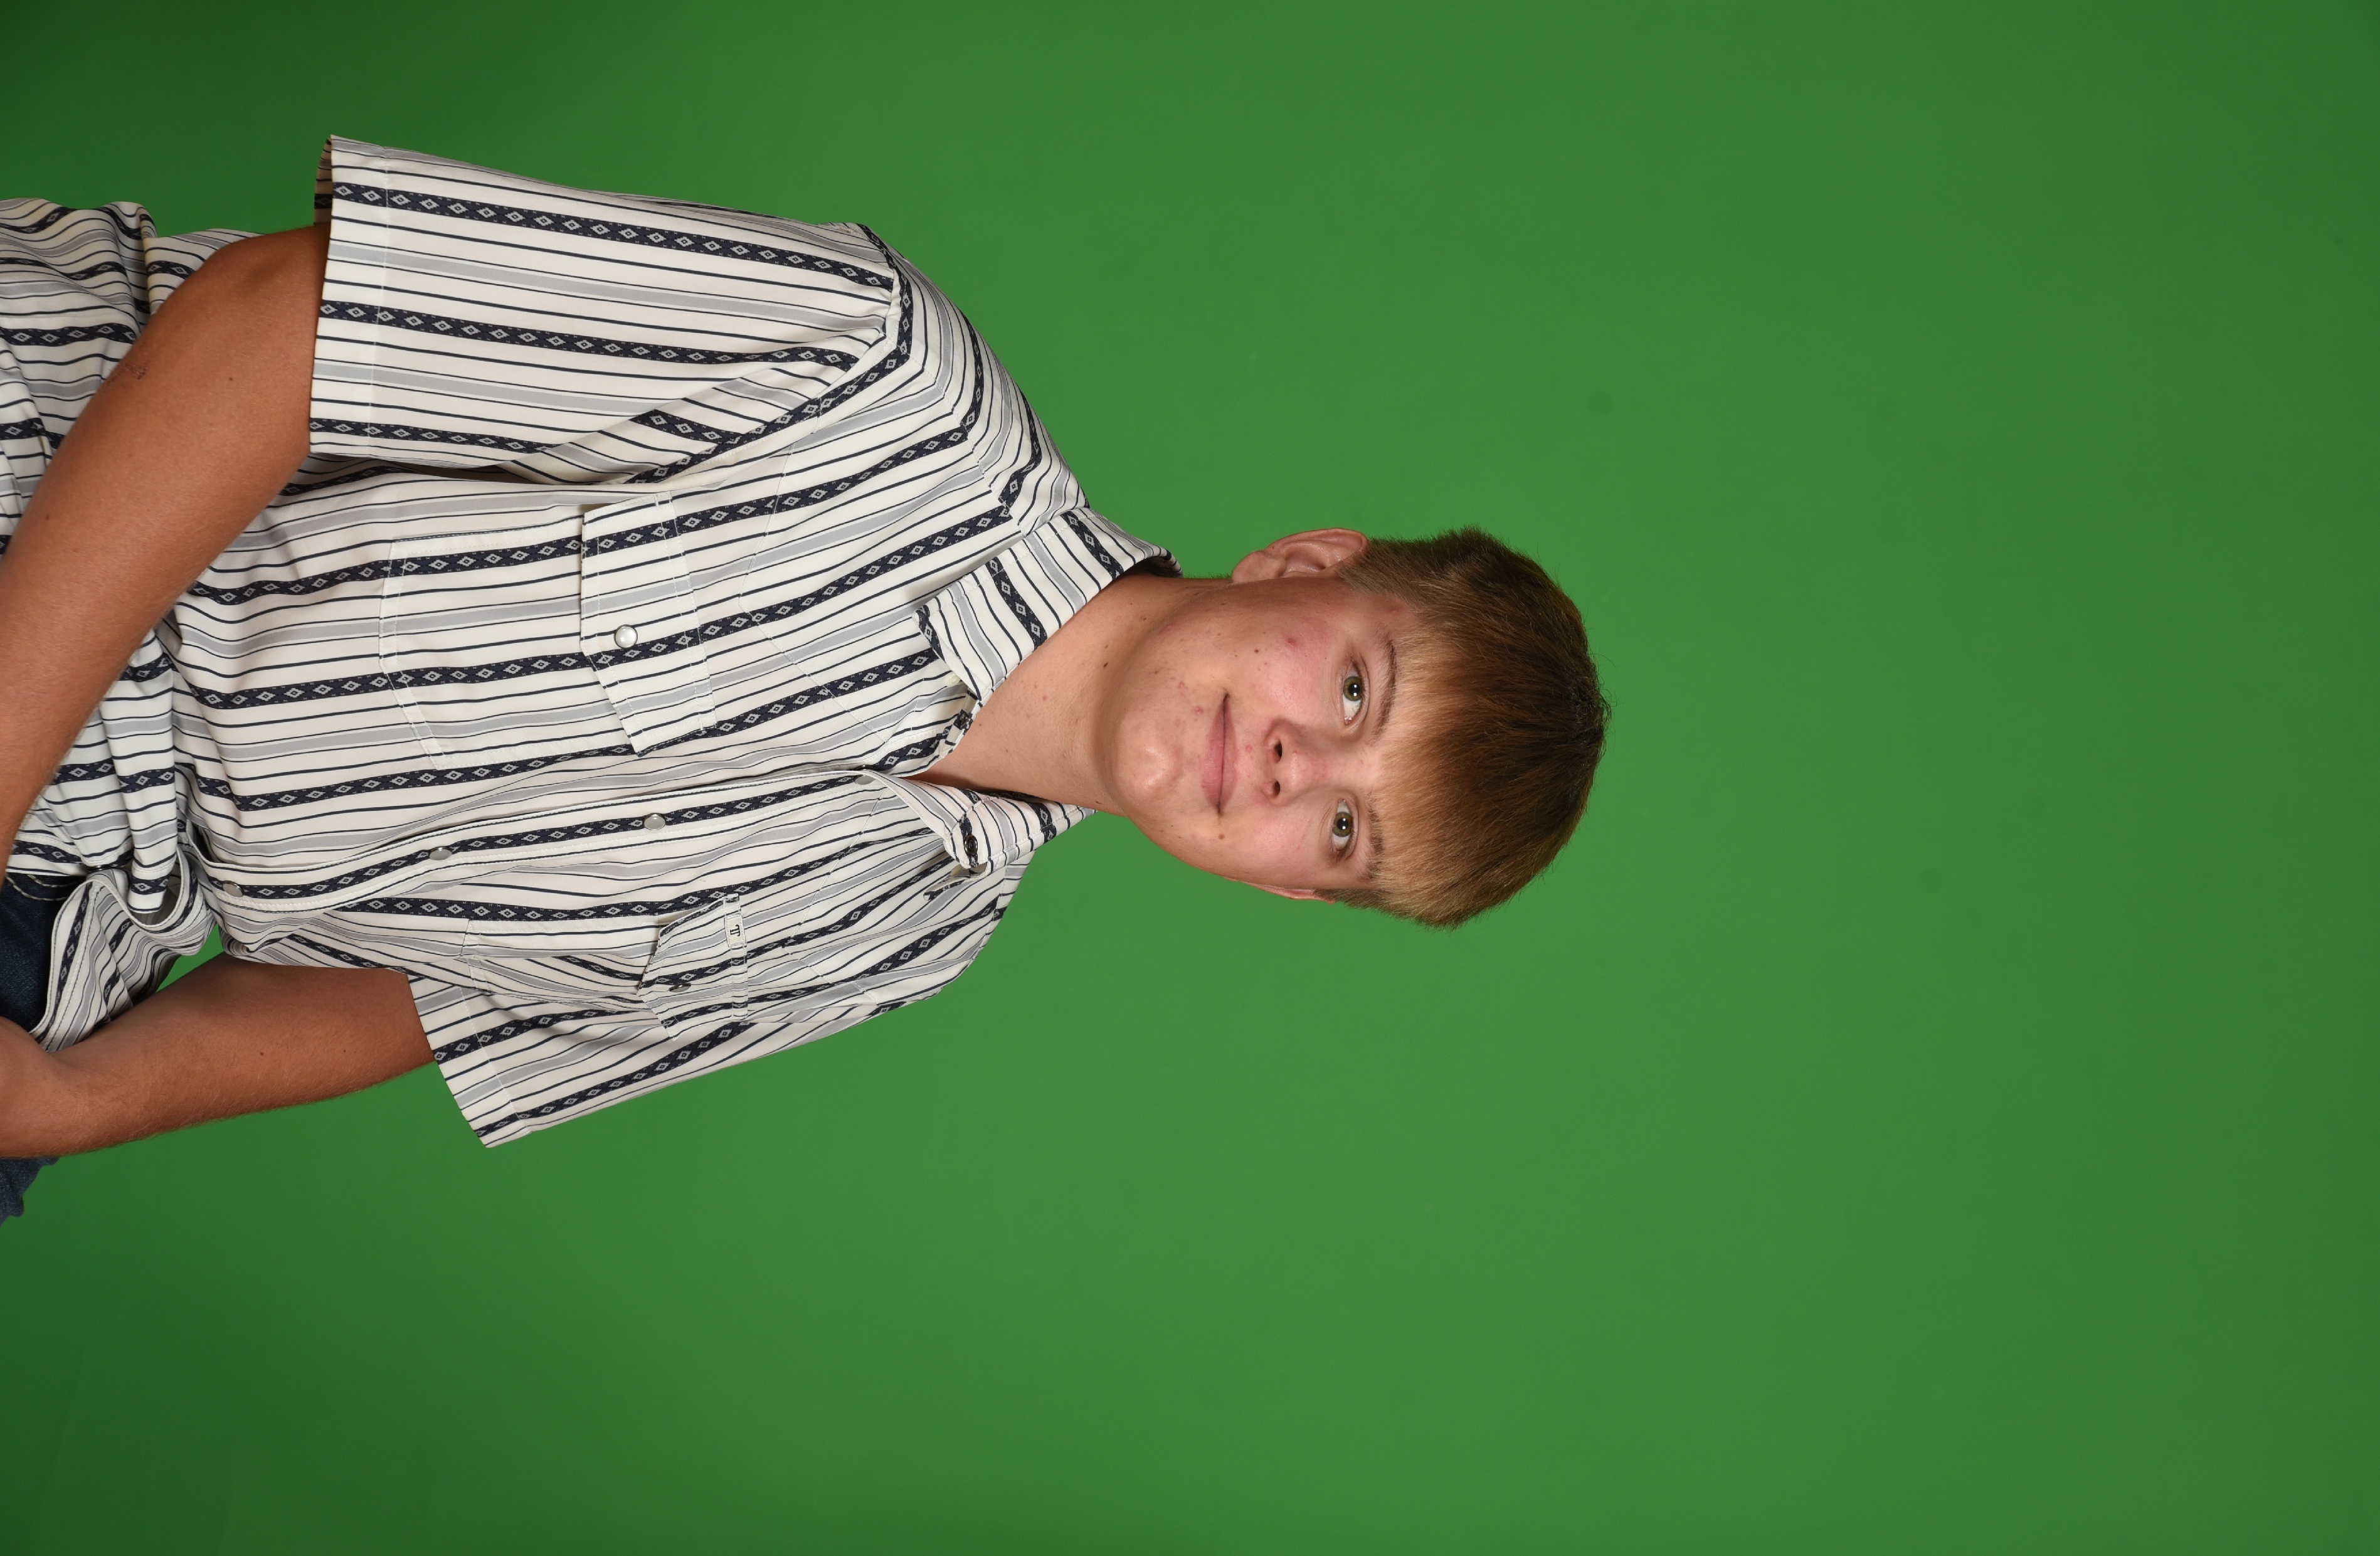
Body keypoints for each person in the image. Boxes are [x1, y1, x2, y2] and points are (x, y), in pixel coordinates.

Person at [0, 140, 1607, 1220]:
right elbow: (273, 325)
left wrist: (76, 1102)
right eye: (1354, 696)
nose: (1294, 766)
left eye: (1341, 829)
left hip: (75, 919)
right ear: (1307, 565)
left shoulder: (901, 944)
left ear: (1284, 888)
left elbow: (434, 996)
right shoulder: (880, 373)